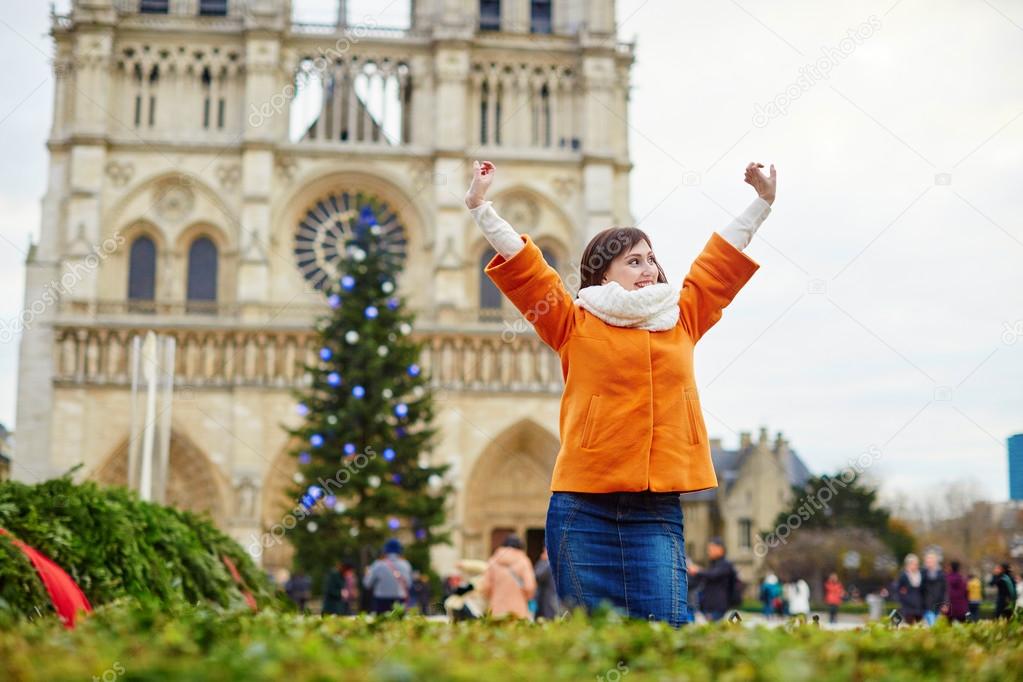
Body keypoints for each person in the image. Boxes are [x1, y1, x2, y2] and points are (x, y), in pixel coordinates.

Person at [465, 159, 777, 629]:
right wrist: (480, 208)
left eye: (651, 258)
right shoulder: (573, 322)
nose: (649, 268)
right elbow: (529, 271)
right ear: (603, 273)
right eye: (634, 260)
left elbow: (718, 263)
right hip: (582, 506)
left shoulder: (683, 316)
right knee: (596, 639)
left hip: (654, 507)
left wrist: (762, 203)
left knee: (667, 629)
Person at [480, 535, 537, 619]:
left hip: (497, 609)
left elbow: (486, 586)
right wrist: (526, 597)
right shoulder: (524, 562)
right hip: (518, 610)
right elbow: (529, 587)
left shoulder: (493, 561)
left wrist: (492, 596)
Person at [687, 538, 738, 622]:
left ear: (720, 549)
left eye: (711, 549)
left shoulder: (726, 565)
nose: (709, 552)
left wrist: (698, 570)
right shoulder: (713, 565)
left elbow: (713, 575)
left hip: (718, 608)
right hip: (709, 608)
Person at [363, 538, 413, 614]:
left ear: (385, 550)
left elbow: (367, 584)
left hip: (381, 601)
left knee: (382, 624)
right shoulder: (405, 564)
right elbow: (409, 585)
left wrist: (367, 573)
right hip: (400, 599)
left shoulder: (378, 564)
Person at [894, 553, 925, 624]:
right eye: (913, 564)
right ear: (908, 564)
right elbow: (898, 590)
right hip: (908, 607)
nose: (915, 566)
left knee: (919, 626)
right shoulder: (903, 576)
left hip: (919, 605)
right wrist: (903, 599)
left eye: (917, 564)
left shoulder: (922, 574)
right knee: (910, 625)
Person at [920, 550, 947, 626]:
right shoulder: (922, 573)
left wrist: (945, 603)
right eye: (927, 561)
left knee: (934, 625)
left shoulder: (941, 573)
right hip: (925, 605)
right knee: (930, 624)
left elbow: (945, 590)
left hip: (938, 604)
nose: (929, 563)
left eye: (931, 561)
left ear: (935, 562)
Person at [534, 548, 562, 620]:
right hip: (545, 598)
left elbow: (538, 575)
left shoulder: (549, 563)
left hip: (549, 599)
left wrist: (545, 561)